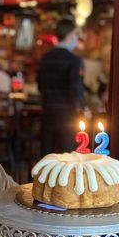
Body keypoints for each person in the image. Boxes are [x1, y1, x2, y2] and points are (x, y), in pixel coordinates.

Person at [38, 18, 85, 155]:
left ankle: (40, 177)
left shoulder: (45, 58)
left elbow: (40, 86)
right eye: (76, 35)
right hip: (67, 115)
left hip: (47, 111)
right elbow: (76, 89)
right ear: (70, 35)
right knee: (67, 156)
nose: (76, 39)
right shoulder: (74, 60)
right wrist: (83, 108)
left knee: (46, 156)